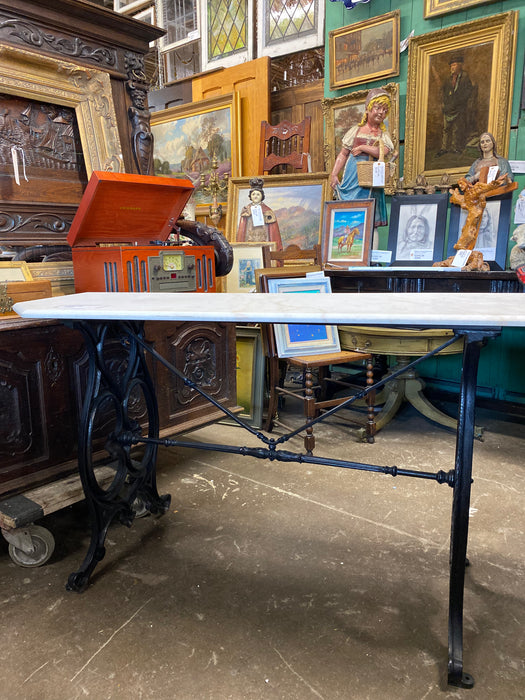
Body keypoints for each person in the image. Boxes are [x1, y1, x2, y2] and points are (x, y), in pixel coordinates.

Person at [329, 87, 394, 227]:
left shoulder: (383, 135)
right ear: (368, 109)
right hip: (353, 177)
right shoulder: (355, 131)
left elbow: (383, 152)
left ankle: (371, 248)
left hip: (372, 179)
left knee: (371, 221)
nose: (381, 113)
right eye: (377, 108)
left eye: (385, 110)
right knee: (351, 216)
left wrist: (363, 148)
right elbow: (343, 154)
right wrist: (334, 174)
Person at [435, 55, 473, 157]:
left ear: (460, 65)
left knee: (457, 128)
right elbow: (443, 92)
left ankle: (455, 148)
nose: (452, 67)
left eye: (455, 65)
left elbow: (468, 91)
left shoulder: (465, 77)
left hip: (459, 108)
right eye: (451, 65)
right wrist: (445, 103)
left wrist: (459, 101)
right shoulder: (448, 79)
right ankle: (444, 148)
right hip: (448, 108)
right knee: (446, 129)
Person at [236, 177, 283, 250]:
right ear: (250, 196)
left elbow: (273, 232)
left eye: (258, 194)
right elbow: (242, 230)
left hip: (264, 243)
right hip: (249, 243)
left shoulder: (268, 211)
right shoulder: (246, 211)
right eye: (253, 194)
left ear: (262, 196)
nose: (255, 196)